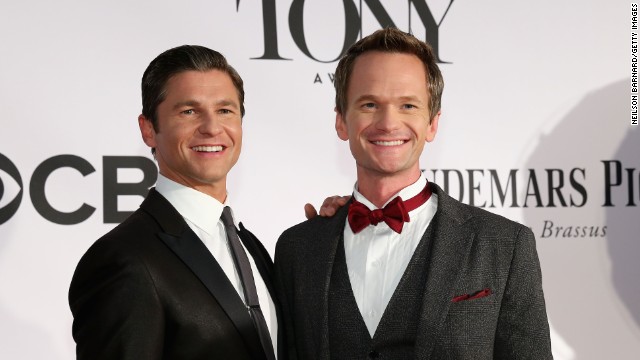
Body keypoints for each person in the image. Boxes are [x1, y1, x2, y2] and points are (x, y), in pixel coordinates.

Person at [274, 28, 553, 359]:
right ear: (341, 122)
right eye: (369, 104)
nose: (388, 122)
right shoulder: (298, 250)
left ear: (433, 124)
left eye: (407, 105)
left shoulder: (504, 246)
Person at [69, 45, 280, 360]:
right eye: (189, 111)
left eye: (225, 110)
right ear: (149, 129)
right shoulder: (124, 260)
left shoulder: (251, 246)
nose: (211, 127)